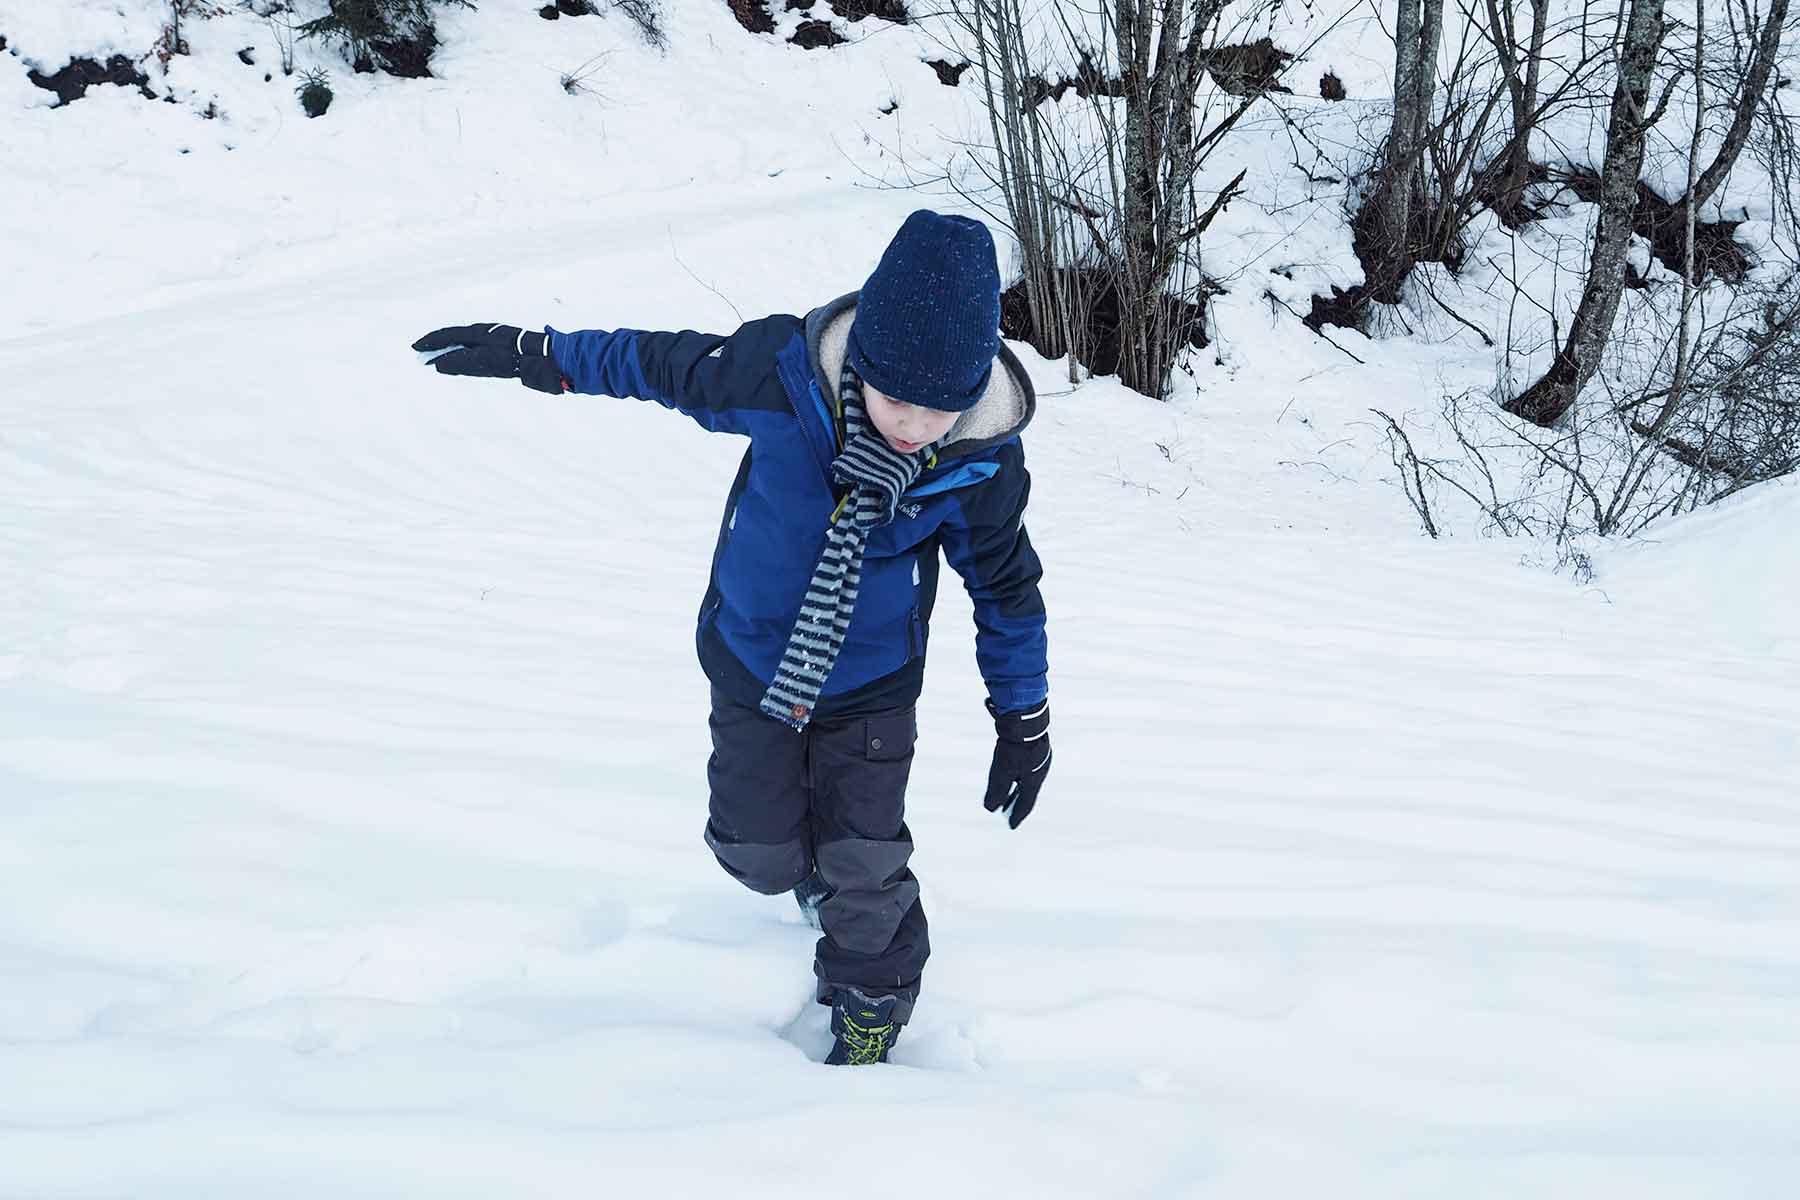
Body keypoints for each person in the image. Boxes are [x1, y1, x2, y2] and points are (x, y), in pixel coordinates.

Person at [411, 210, 1051, 1066]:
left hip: (871, 691)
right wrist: (546, 356)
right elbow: (659, 362)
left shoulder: (975, 465)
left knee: (866, 863)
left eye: (943, 409)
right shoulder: (780, 378)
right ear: (862, 363)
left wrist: (1024, 718)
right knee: (759, 852)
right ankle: (813, 883)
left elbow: (1008, 594)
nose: (916, 427)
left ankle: (874, 1000)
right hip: (752, 665)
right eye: (899, 400)